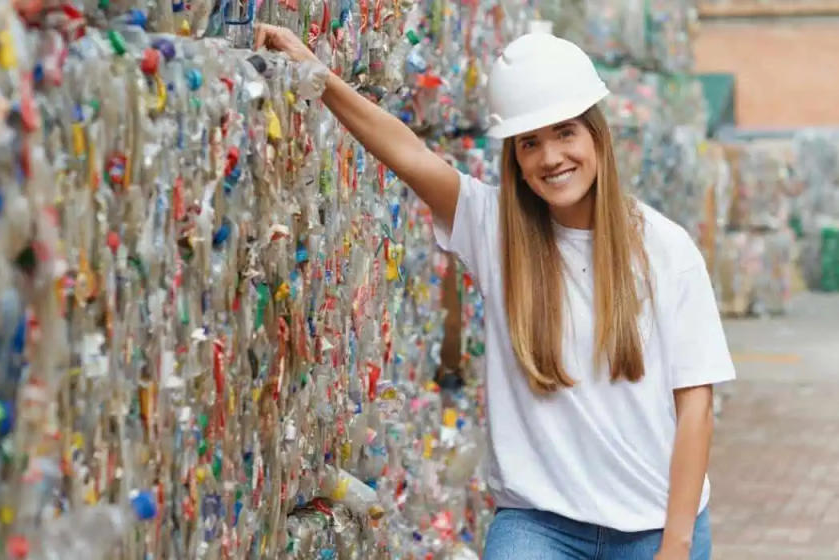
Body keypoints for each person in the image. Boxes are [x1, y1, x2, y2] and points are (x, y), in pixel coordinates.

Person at [254, 23, 736, 560]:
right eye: (530, 142)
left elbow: (696, 404)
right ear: (516, 160)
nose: (551, 157)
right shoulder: (497, 233)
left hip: (656, 525)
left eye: (566, 132)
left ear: (597, 136)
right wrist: (315, 73)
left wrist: (676, 544)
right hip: (540, 527)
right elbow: (406, 152)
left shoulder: (665, 250)